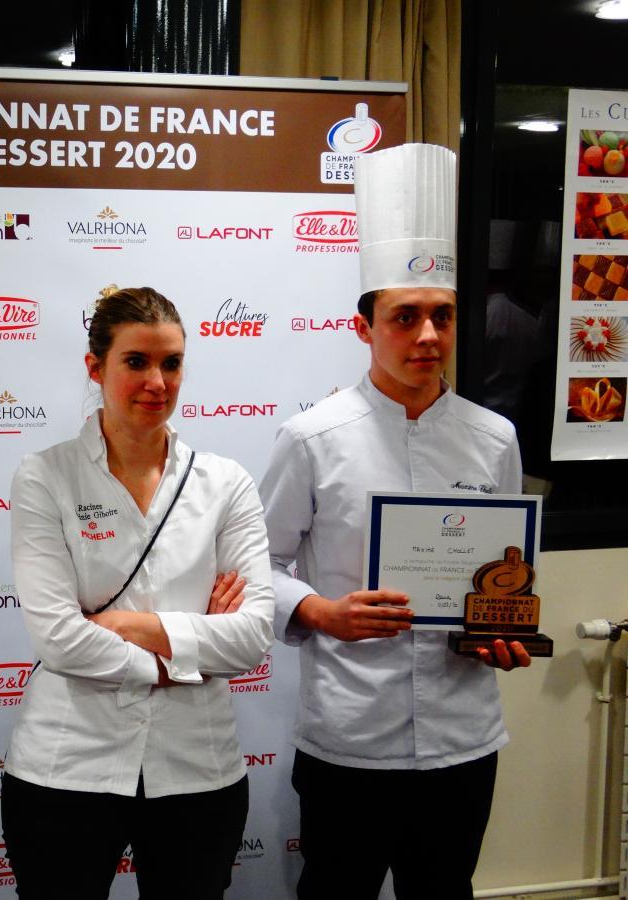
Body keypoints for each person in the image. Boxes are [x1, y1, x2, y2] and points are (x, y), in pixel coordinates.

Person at [258, 143, 530, 900]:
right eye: (404, 317)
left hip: (463, 737)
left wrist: (501, 631)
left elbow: (503, 577)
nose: (427, 338)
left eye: (441, 316)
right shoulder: (311, 439)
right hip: (351, 738)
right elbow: (255, 570)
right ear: (365, 326)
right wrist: (319, 610)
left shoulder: (493, 439)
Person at [1, 287, 275, 900]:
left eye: (171, 363)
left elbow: (254, 636)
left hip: (198, 770)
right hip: (67, 765)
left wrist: (133, 627)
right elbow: (58, 637)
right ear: (96, 367)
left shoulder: (225, 484)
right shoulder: (45, 476)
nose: (157, 381)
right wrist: (188, 654)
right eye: (136, 362)